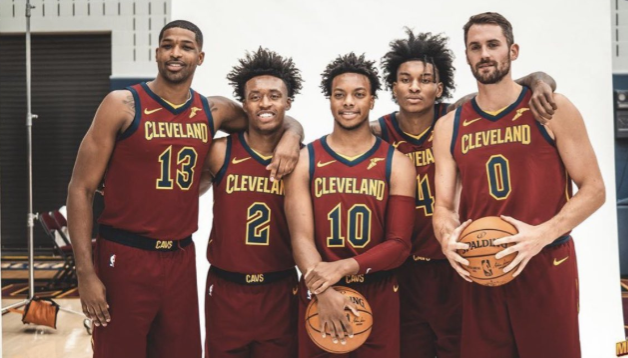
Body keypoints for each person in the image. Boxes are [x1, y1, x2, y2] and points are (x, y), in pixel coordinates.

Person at [67, 20, 302, 358]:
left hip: (180, 256)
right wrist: (85, 272)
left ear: (200, 57)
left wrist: (292, 135)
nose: (176, 53)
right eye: (168, 45)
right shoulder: (122, 104)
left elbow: (267, 115)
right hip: (125, 252)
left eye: (186, 47)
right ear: (157, 53)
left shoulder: (213, 110)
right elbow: (80, 189)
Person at [372, 28, 557, 358]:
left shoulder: (457, 116)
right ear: (393, 86)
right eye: (405, 79)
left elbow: (503, 84)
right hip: (405, 269)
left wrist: (541, 80)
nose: (414, 87)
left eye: (425, 80)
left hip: (461, 263)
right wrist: (292, 132)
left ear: (439, 88)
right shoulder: (377, 133)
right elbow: (332, 137)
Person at [433, 12, 605, 358]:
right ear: (466, 56)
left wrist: (541, 234)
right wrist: (447, 238)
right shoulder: (449, 126)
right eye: (475, 47)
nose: (484, 54)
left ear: (513, 51)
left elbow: (594, 189)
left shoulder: (551, 108)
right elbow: (444, 207)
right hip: (482, 266)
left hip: (545, 261)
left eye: (493, 45)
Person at [285, 53, 417, 358]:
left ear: (372, 101)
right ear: (330, 100)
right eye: (339, 95)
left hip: (377, 289)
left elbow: (399, 245)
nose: (348, 102)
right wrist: (324, 290)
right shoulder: (306, 160)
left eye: (358, 95)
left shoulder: (396, 163)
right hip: (320, 291)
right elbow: (300, 239)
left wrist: (342, 267)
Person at [200, 47, 303, 358]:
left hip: (280, 287)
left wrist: (294, 133)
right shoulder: (220, 152)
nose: (265, 103)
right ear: (243, 104)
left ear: (288, 102)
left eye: (274, 96)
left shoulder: (303, 159)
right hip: (226, 288)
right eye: (255, 96)